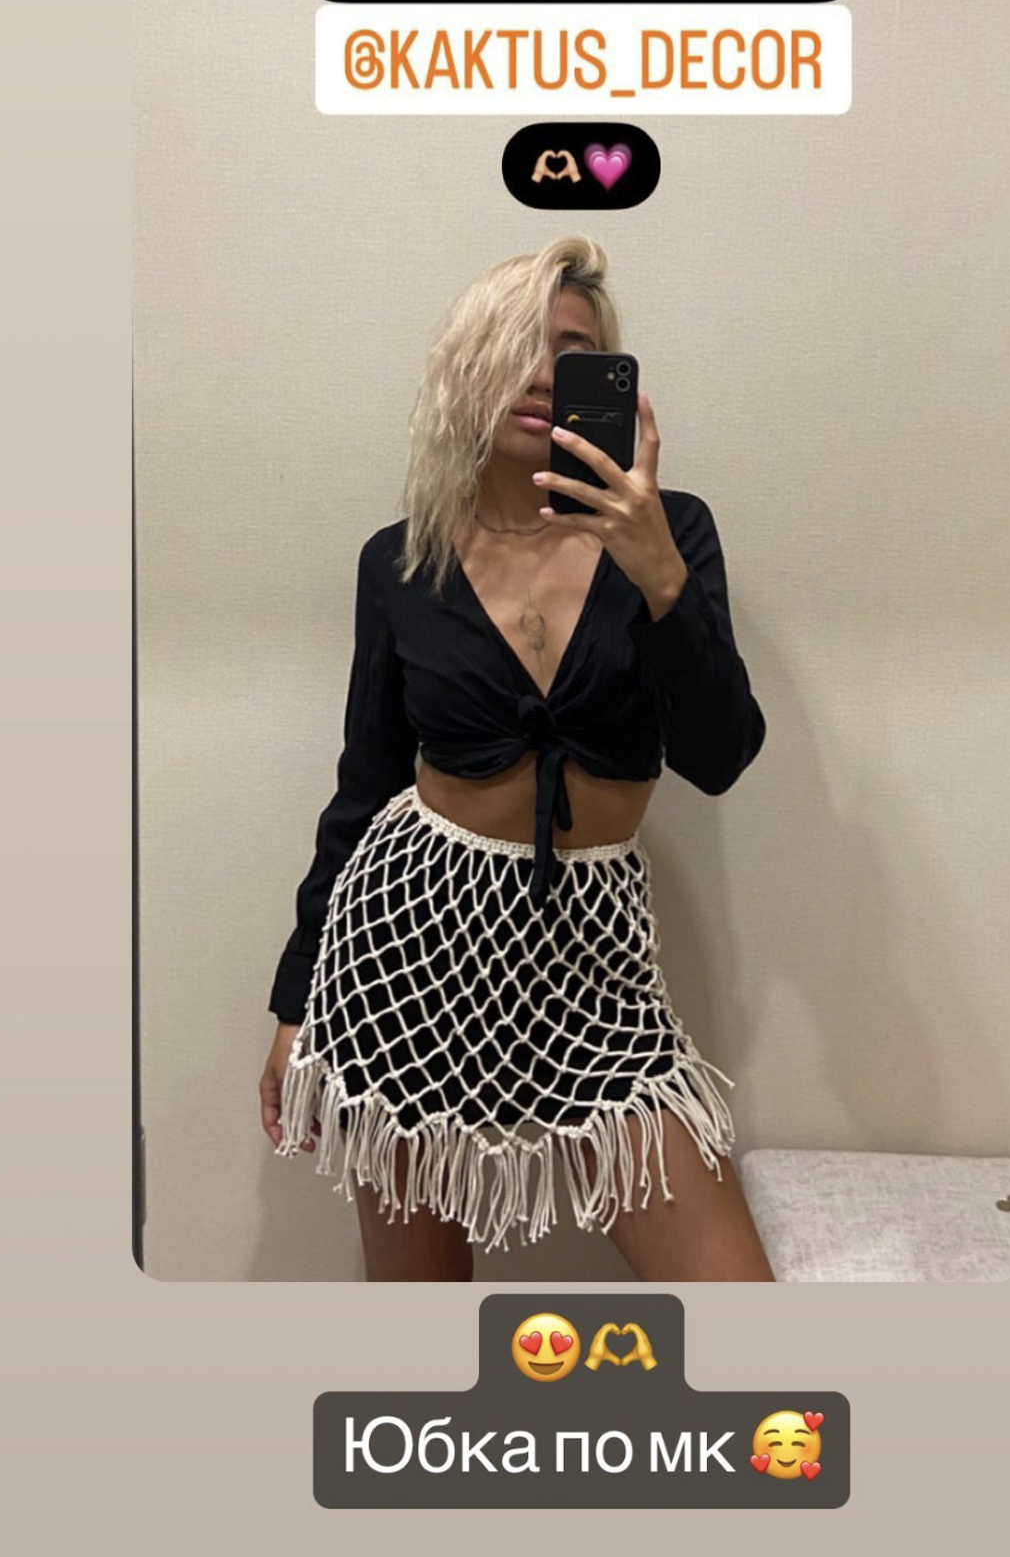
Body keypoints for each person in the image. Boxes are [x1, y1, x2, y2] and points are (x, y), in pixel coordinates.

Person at [259, 235, 774, 1282]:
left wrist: (660, 580)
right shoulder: (402, 560)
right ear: (467, 372)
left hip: (593, 964)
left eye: (573, 352)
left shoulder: (669, 532)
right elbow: (363, 787)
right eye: (516, 347)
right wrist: (294, 998)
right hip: (405, 954)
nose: (543, 373)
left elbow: (720, 756)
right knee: (421, 1315)